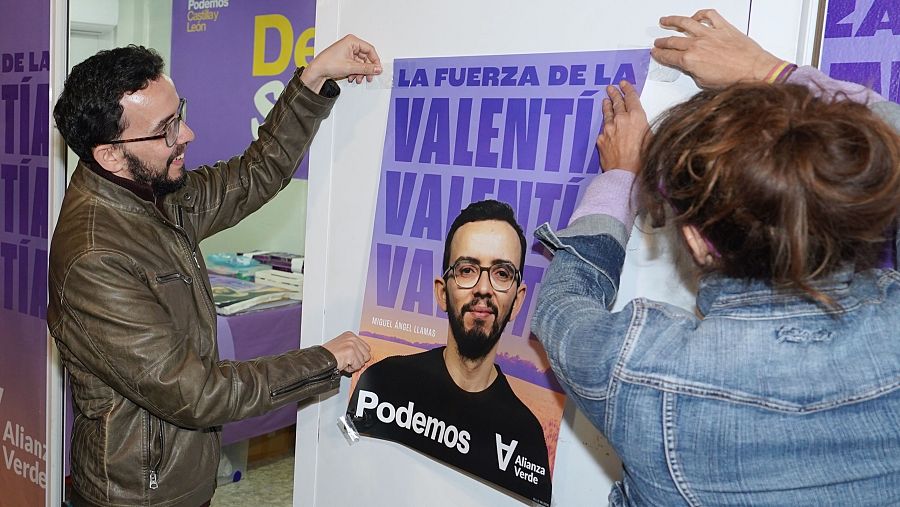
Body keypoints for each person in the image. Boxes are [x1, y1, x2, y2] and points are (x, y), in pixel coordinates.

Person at [532, 9, 900, 506]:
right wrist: (771, 73)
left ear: (700, 241)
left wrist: (619, 177)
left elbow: (561, 306)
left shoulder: (639, 369)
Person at [48, 36, 379, 507]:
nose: (186, 135)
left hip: (183, 480)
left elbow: (256, 172)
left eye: (178, 113)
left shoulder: (153, 193)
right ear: (110, 155)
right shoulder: (94, 259)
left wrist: (314, 77)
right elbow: (199, 392)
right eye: (166, 129)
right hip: (138, 497)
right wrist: (323, 360)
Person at [347, 200, 552, 506]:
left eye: (502, 273)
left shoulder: (526, 436)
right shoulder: (383, 383)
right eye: (467, 270)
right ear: (442, 292)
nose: (483, 288)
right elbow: (346, 477)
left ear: (518, 301)